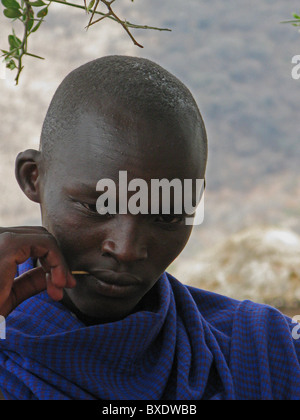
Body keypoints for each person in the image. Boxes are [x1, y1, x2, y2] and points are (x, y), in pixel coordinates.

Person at [0, 55, 300, 400]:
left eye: (167, 217)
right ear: (33, 177)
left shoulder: (259, 350)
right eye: (97, 207)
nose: (126, 249)